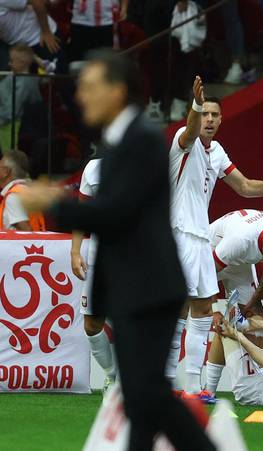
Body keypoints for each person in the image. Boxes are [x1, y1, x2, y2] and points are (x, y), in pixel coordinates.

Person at [18, 49, 214, 451]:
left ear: (117, 91)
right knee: (141, 403)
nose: (81, 97)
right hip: (133, 290)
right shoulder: (121, 141)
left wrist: (53, 202)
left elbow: (117, 214)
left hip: (151, 290)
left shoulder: (141, 140)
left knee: (148, 397)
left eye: (90, 87)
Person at [167, 75, 263, 401]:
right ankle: (165, 382)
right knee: (180, 310)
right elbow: (192, 128)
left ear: (222, 120)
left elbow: (245, 186)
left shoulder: (217, 151)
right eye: (204, 113)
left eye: (214, 115)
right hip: (180, 233)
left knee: (201, 309)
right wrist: (196, 105)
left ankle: (195, 387)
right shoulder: (185, 138)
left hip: (199, 237)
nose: (209, 119)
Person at [197, 208, 263, 394]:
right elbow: (206, 274)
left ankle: (258, 379)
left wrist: (253, 302)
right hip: (209, 256)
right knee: (219, 320)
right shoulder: (238, 242)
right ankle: (208, 390)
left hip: (240, 263)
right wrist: (214, 310)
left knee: (252, 317)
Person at [70, 156, 118, 394]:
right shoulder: (94, 168)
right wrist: (75, 250)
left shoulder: (145, 163)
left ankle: (132, 380)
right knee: (92, 324)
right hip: (100, 258)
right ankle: (112, 376)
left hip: (136, 259)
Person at [0, 44, 42, 150]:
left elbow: (12, 110)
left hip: (10, 125)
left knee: (11, 159)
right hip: (8, 122)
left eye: (12, 60)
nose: (9, 63)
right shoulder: (15, 77)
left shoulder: (24, 82)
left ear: (22, 62)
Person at [0, 149, 44, 230]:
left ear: (6, 172)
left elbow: (25, 231)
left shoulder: (13, 196)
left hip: (20, 242)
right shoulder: (26, 190)